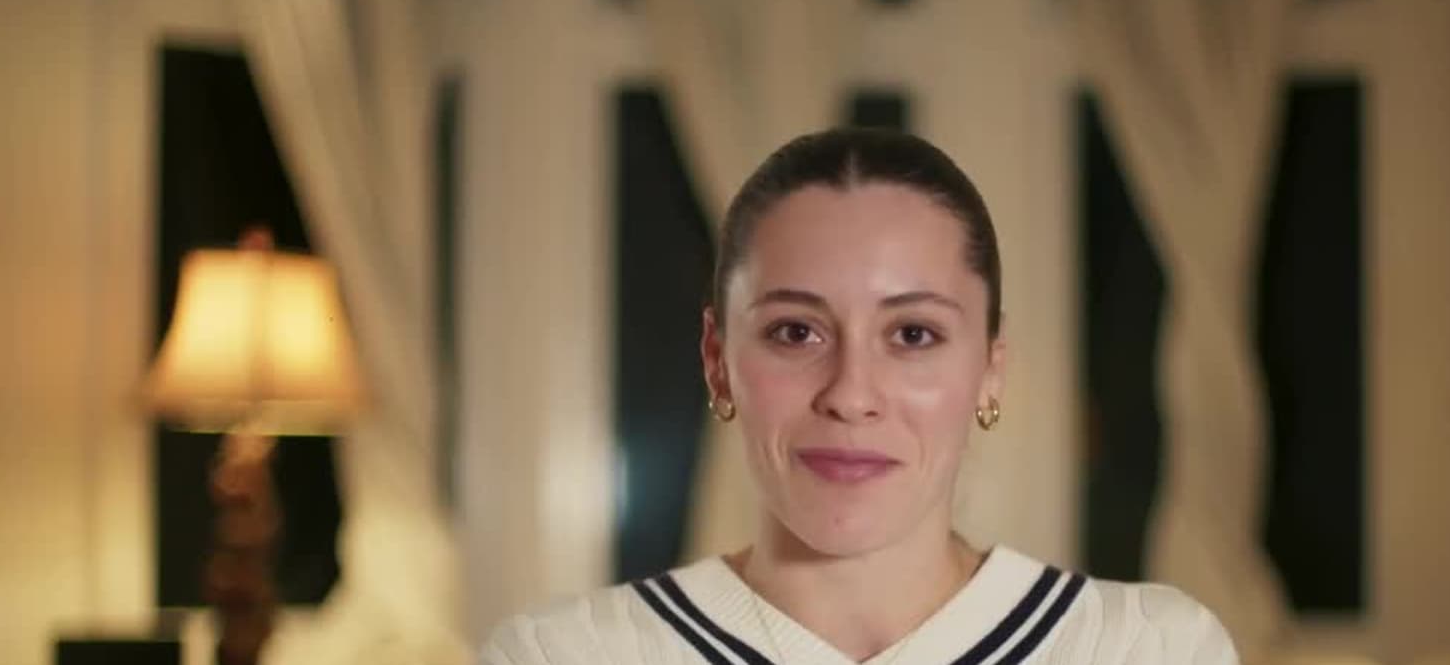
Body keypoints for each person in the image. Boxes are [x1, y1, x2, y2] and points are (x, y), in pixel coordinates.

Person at [481, 128, 1237, 664]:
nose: (850, 395)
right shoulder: (562, 656)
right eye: (795, 332)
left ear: (990, 365)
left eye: (912, 334)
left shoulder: (1146, 650)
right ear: (717, 361)